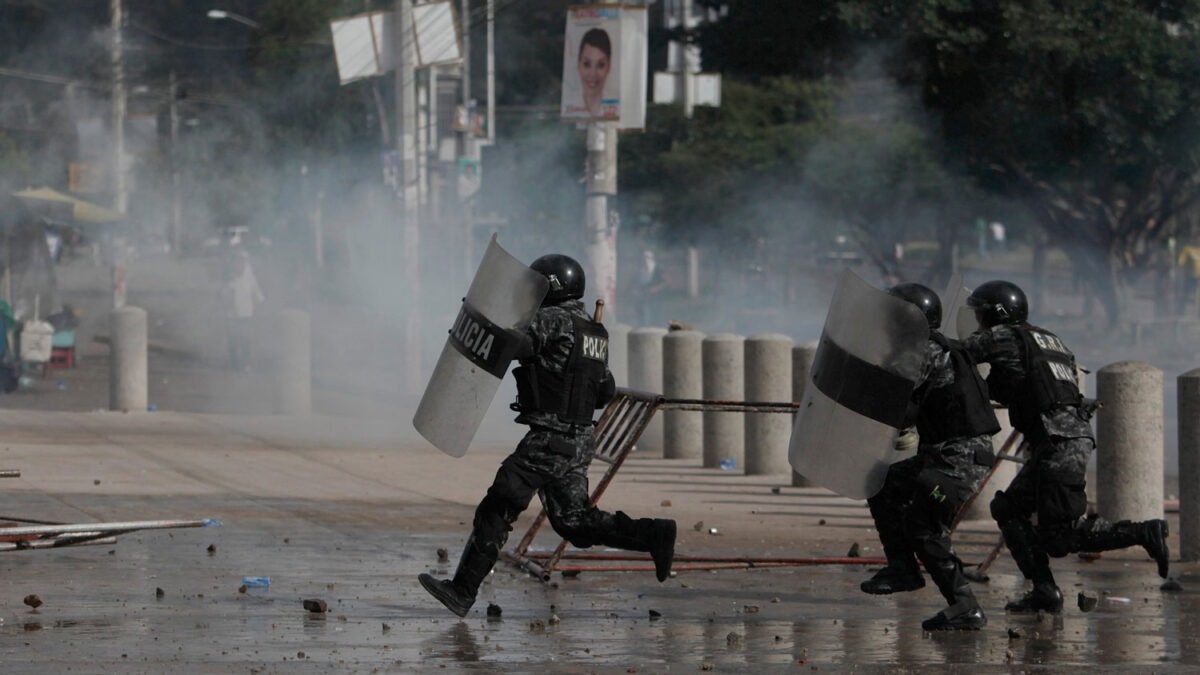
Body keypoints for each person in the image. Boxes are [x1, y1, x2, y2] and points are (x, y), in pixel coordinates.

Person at [419, 253, 677, 618]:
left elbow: (513, 347)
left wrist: (478, 325)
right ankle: (654, 534)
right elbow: (604, 391)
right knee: (574, 522)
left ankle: (462, 591)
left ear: (550, 287)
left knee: (500, 504)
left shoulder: (551, 320)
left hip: (550, 438)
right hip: (579, 440)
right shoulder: (594, 331)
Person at [962, 280, 1169, 613]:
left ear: (996, 314)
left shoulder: (1007, 336)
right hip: (1060, 441)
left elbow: (962, 352)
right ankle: (1044, 591)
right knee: (1009, 509)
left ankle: (1145, 532)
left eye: (980, 315)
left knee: (1059, 537)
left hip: (1059, 445)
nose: (978, 322)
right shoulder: (1049, 340)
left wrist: (924, 341)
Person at [861, 283, 1000, 631]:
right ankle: (903, 569)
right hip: (946, 457)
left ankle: (965, 606)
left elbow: (892, 404)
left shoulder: (924, 351)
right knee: (884, 484)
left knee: (923, 527)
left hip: (958, 463)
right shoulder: (942, 348)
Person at [220, 249, 264, 372]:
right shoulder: (229, 278)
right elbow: (223, 295)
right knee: (233, 340)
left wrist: (260, 303)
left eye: (242, 262)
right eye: (237, 262)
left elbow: (256, 292)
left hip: (246, 314)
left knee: (246, 340)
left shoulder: (249, 276)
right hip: (232, 316)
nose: (240, 265)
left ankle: (246, 363)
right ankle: (234, 364)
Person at [577, 28, 612, 119]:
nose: (593, 74)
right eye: (587, 64)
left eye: (600, 65)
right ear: (578, 65)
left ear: (609, 67)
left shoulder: (619, 106)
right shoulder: (569, 107)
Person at [1178, 237, 1200, 315]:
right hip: (1190, 277)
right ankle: (1181, 312)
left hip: (1199, 278)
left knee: (1198, 297)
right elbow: (1181, 262)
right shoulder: (1188, 249)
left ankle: (1198, 314)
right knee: (1186, 295)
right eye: (1197, 239)